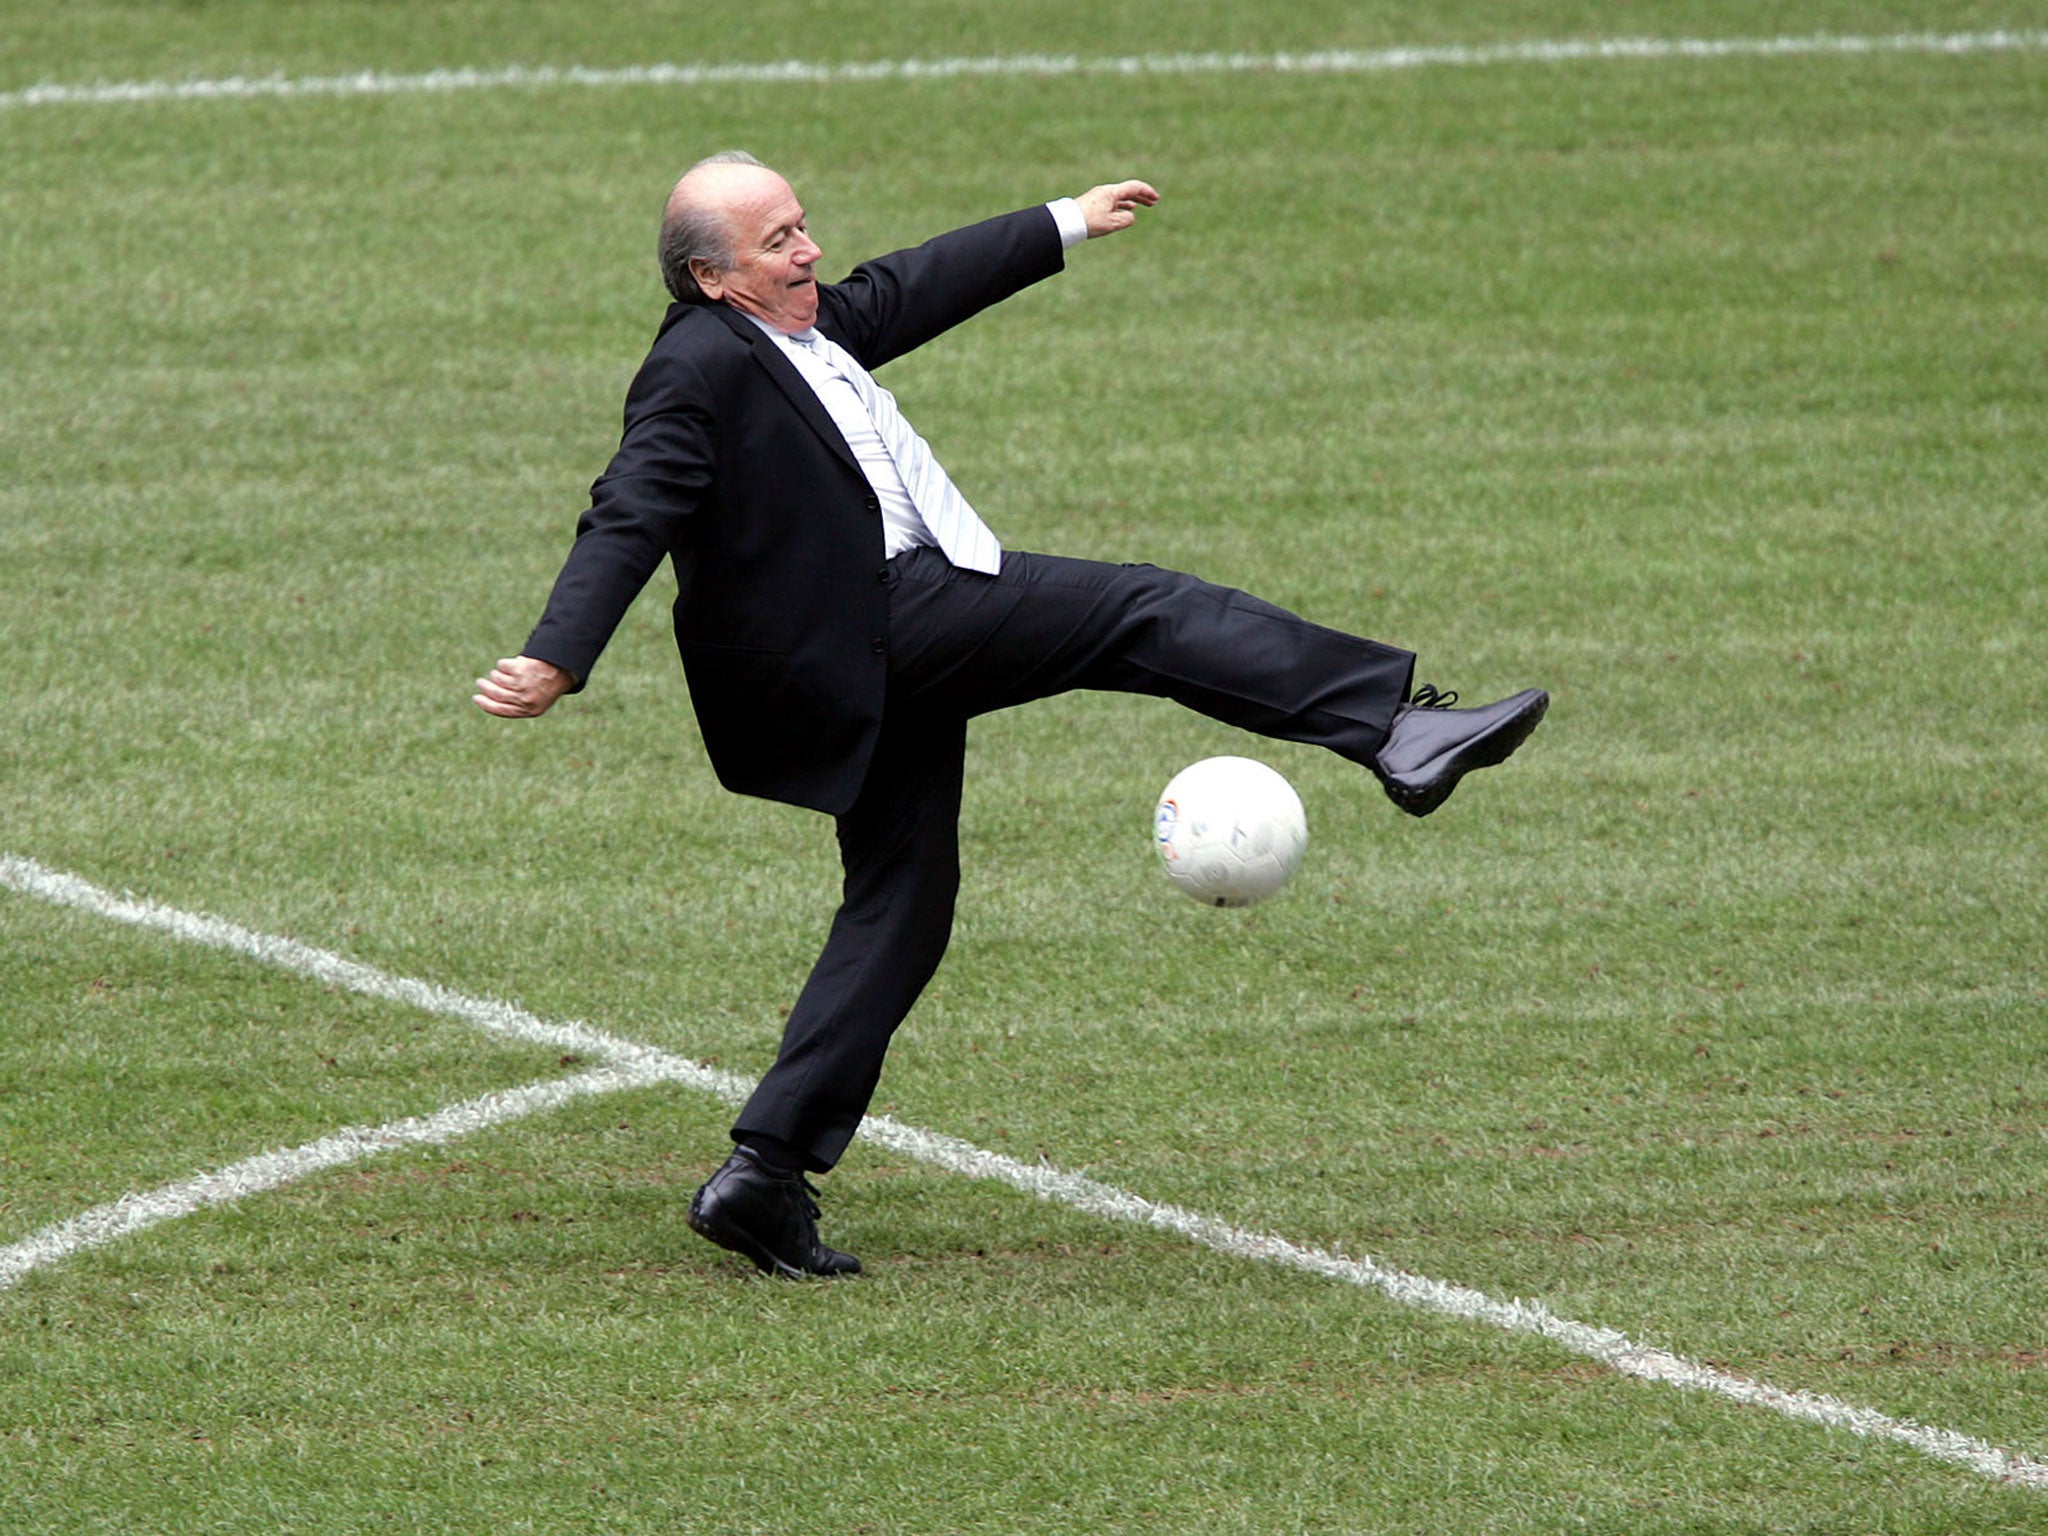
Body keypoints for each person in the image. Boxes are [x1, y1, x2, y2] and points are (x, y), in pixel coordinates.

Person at [474, 151, 1547, 1278]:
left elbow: (917, 283)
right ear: (708, 280)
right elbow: (629, 507)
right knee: (1143, 607)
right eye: (779, 243)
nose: (810, 253)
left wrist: (1064, 222)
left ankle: (765, 1174)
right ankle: (1393, 728)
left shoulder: (803, 324)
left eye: (802, 227)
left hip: (872, 651)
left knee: (904, 902)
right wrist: (557, 657)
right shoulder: (696, 366)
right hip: (878, 628)